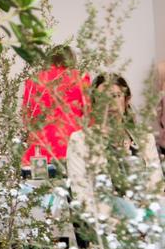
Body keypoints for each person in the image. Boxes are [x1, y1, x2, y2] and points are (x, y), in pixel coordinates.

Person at [66, 74, 164, 221]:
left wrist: (149, 223)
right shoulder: (80, 141)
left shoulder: (145, 139)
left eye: (116, 96)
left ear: (126, 100)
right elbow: (82, 199)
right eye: (102, 98)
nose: (109, 103)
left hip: (147, 223)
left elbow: (157, 189)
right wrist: (118, 227)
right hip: (107, 228)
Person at [21, 45, 88, 168]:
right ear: (71, 59)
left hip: (40, 147)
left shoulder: (33, 80)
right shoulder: (81, 78)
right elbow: (89, 115)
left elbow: (26, 117)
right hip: (70, 147)